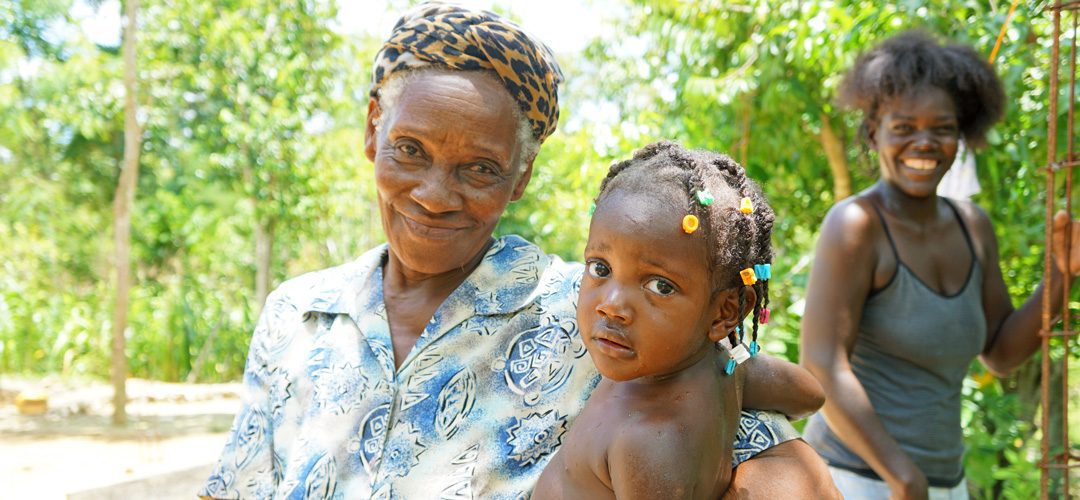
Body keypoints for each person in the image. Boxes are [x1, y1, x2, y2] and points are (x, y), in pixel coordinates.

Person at [199, 4, 835, 498]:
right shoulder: (296, 313)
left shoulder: (595, 319)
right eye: (410, 150)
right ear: (373, 130)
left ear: (521, 176)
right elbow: (238, 483)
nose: (434, 194)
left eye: (478, 169)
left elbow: (756, 443)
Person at [800, 30, 1080, 500]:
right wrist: (902, 476)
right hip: (853, 479)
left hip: (943, 483)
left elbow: (1001, 352)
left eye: (942, 128)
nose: (924, 143)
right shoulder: (856, 225)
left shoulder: (973, 227)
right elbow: (822, 364)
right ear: (874, 133)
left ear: (961, 135)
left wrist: (1061, 274)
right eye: (904, 128)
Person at [531, 141, 830, 499]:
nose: (611, 305)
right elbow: (808, 395)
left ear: (726, 312)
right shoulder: (726, 366)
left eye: (660, 286)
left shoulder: (648, 440)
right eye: (601, 268)